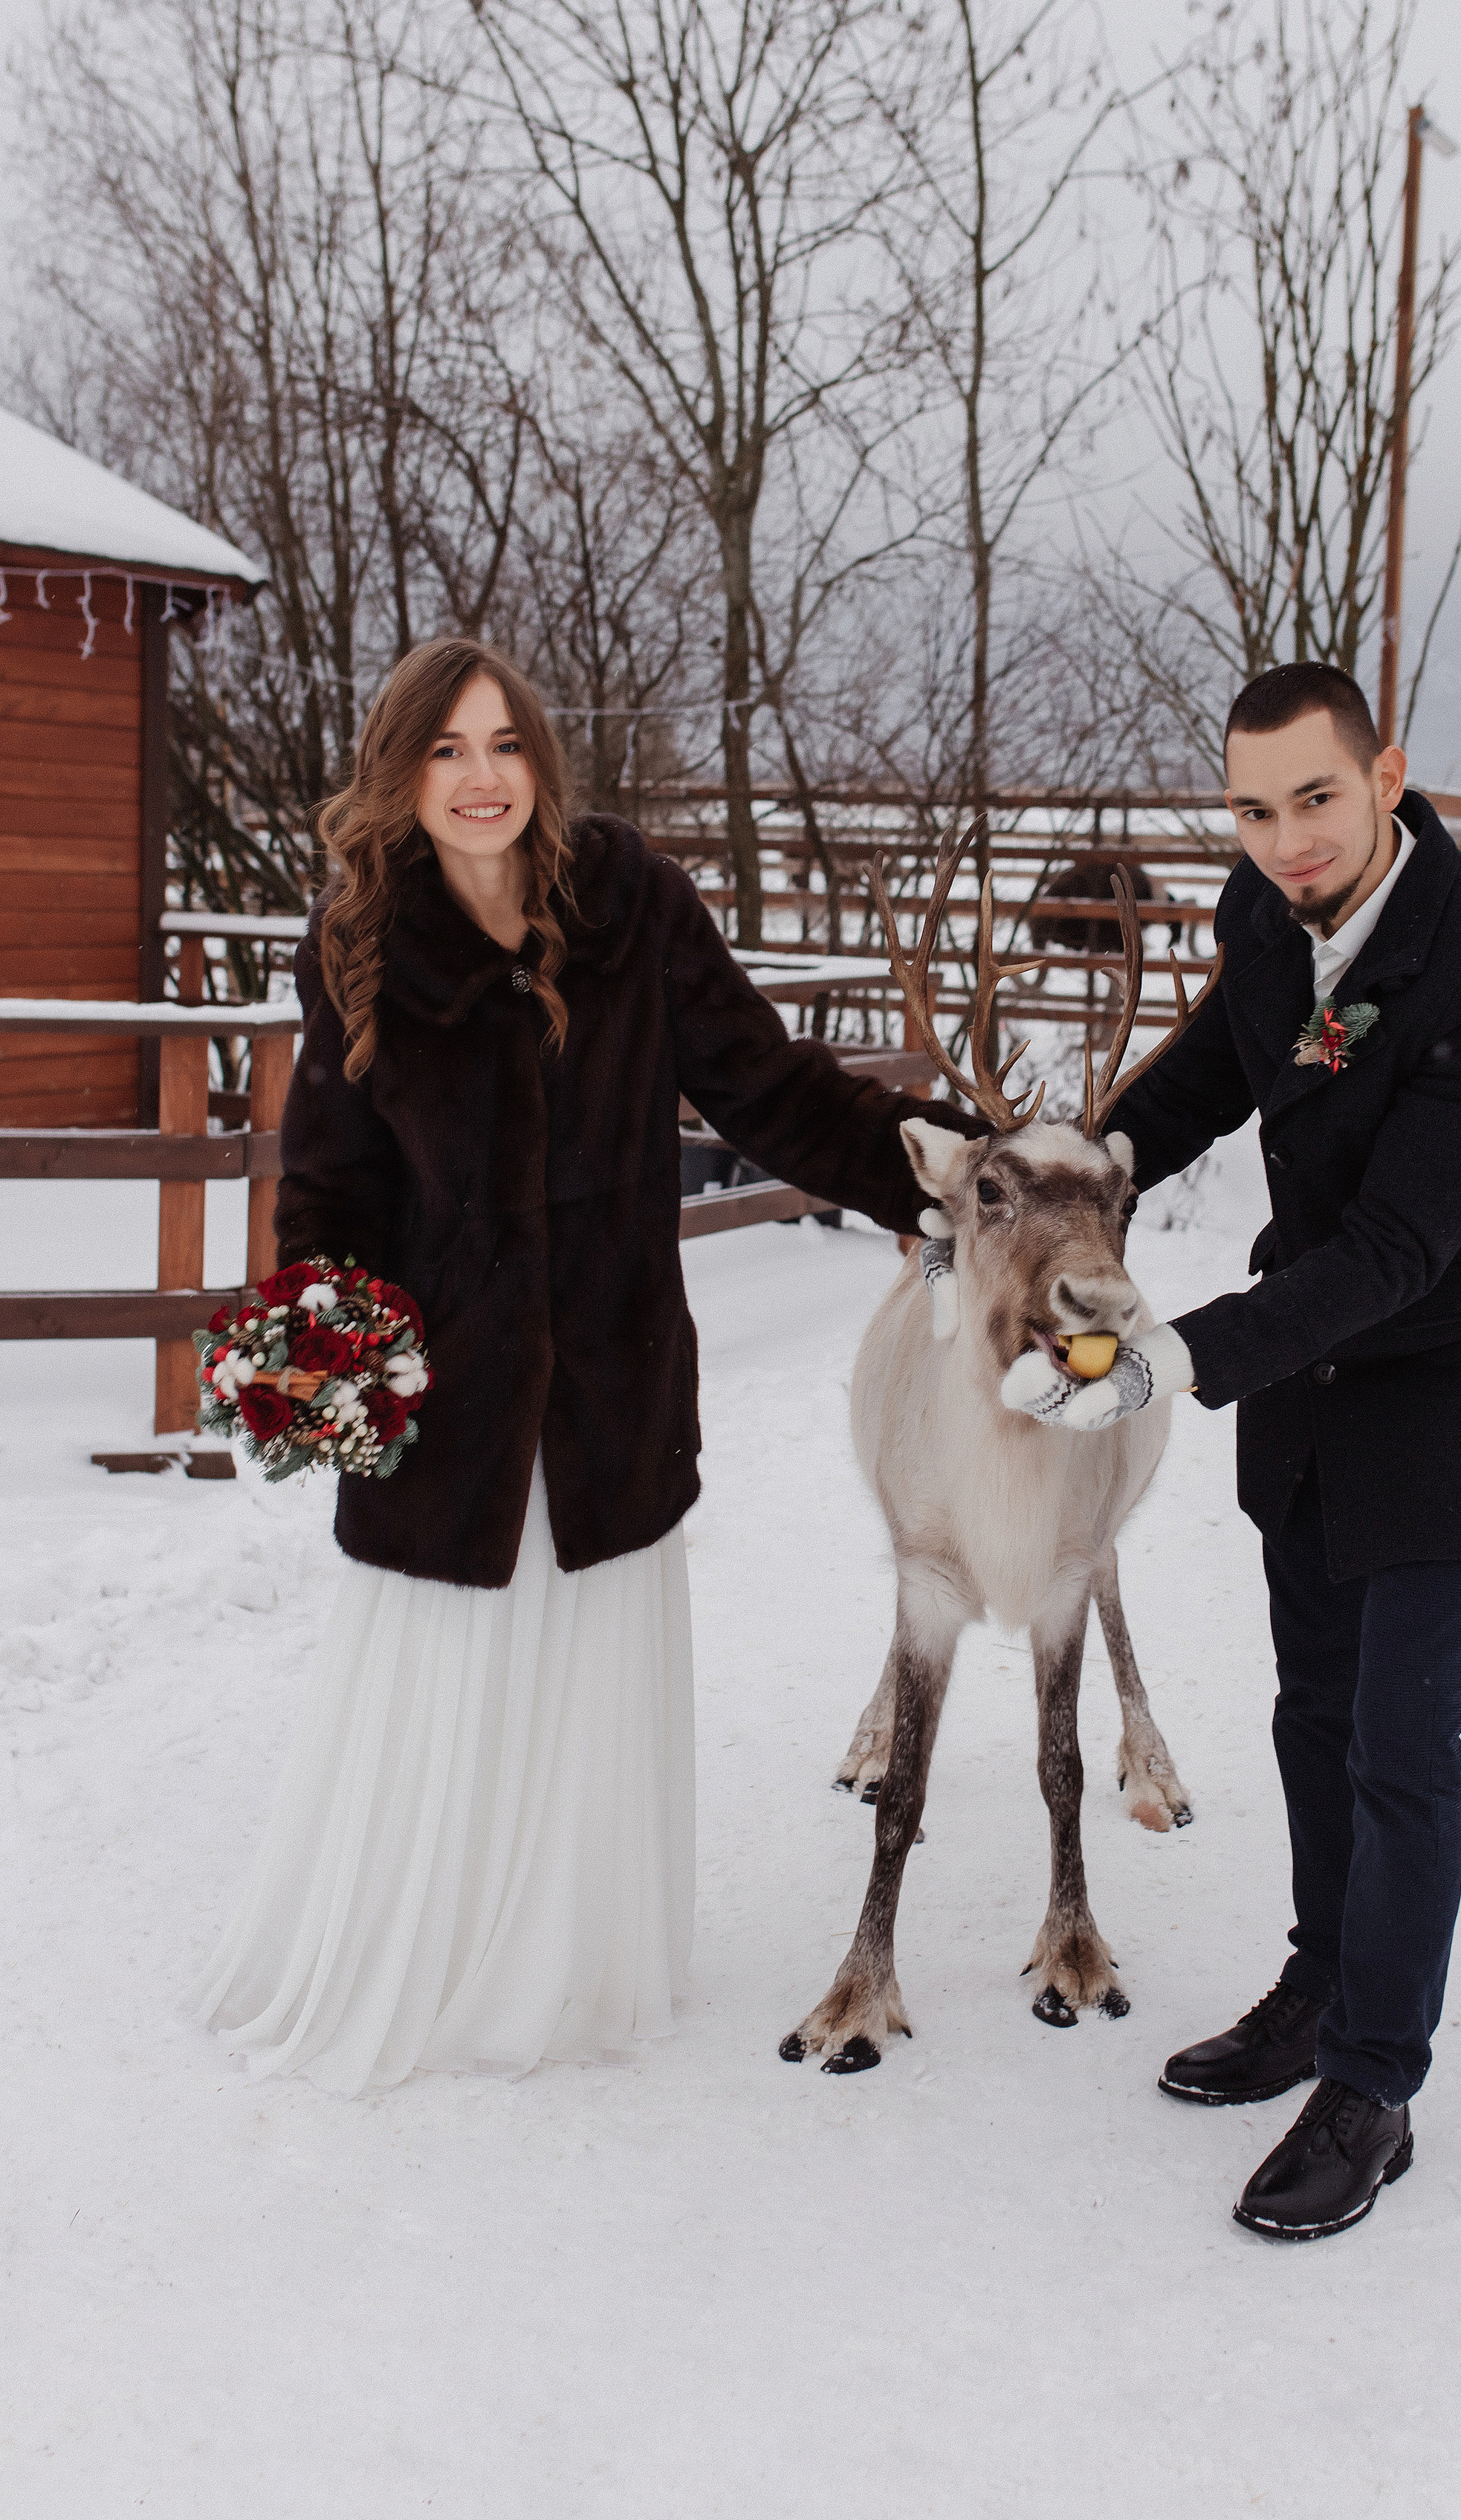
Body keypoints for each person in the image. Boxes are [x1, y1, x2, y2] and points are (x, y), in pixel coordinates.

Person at [189, 637, 962, 2094]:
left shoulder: (629, 905)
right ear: (401, 773)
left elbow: (765, 1083)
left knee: (585, 1671)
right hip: (448, 1405)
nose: (481, 779)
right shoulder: (355, 940)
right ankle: (427, 1964)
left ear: (540, 762)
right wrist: (319, 1337)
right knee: (445, 1683)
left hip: (605, 1386)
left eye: (504, 746)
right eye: (446, 750)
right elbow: (328, 1183)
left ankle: (562, 1965)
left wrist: (928, 1173)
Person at [1002, 661, 1461, 2240]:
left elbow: (1400, 1247)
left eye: (1315, 799)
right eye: (1252, 811)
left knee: (1401, 1732)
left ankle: (1372, 2085)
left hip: (1453, 1369)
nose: (1286, 841)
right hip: (1309, 1354)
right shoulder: (1261, 915)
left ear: (1383, 773)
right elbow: (1213, 1071)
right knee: (1312, 1698)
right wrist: (1088, 1164)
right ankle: (1318, 1989)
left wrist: (1169, 1361)